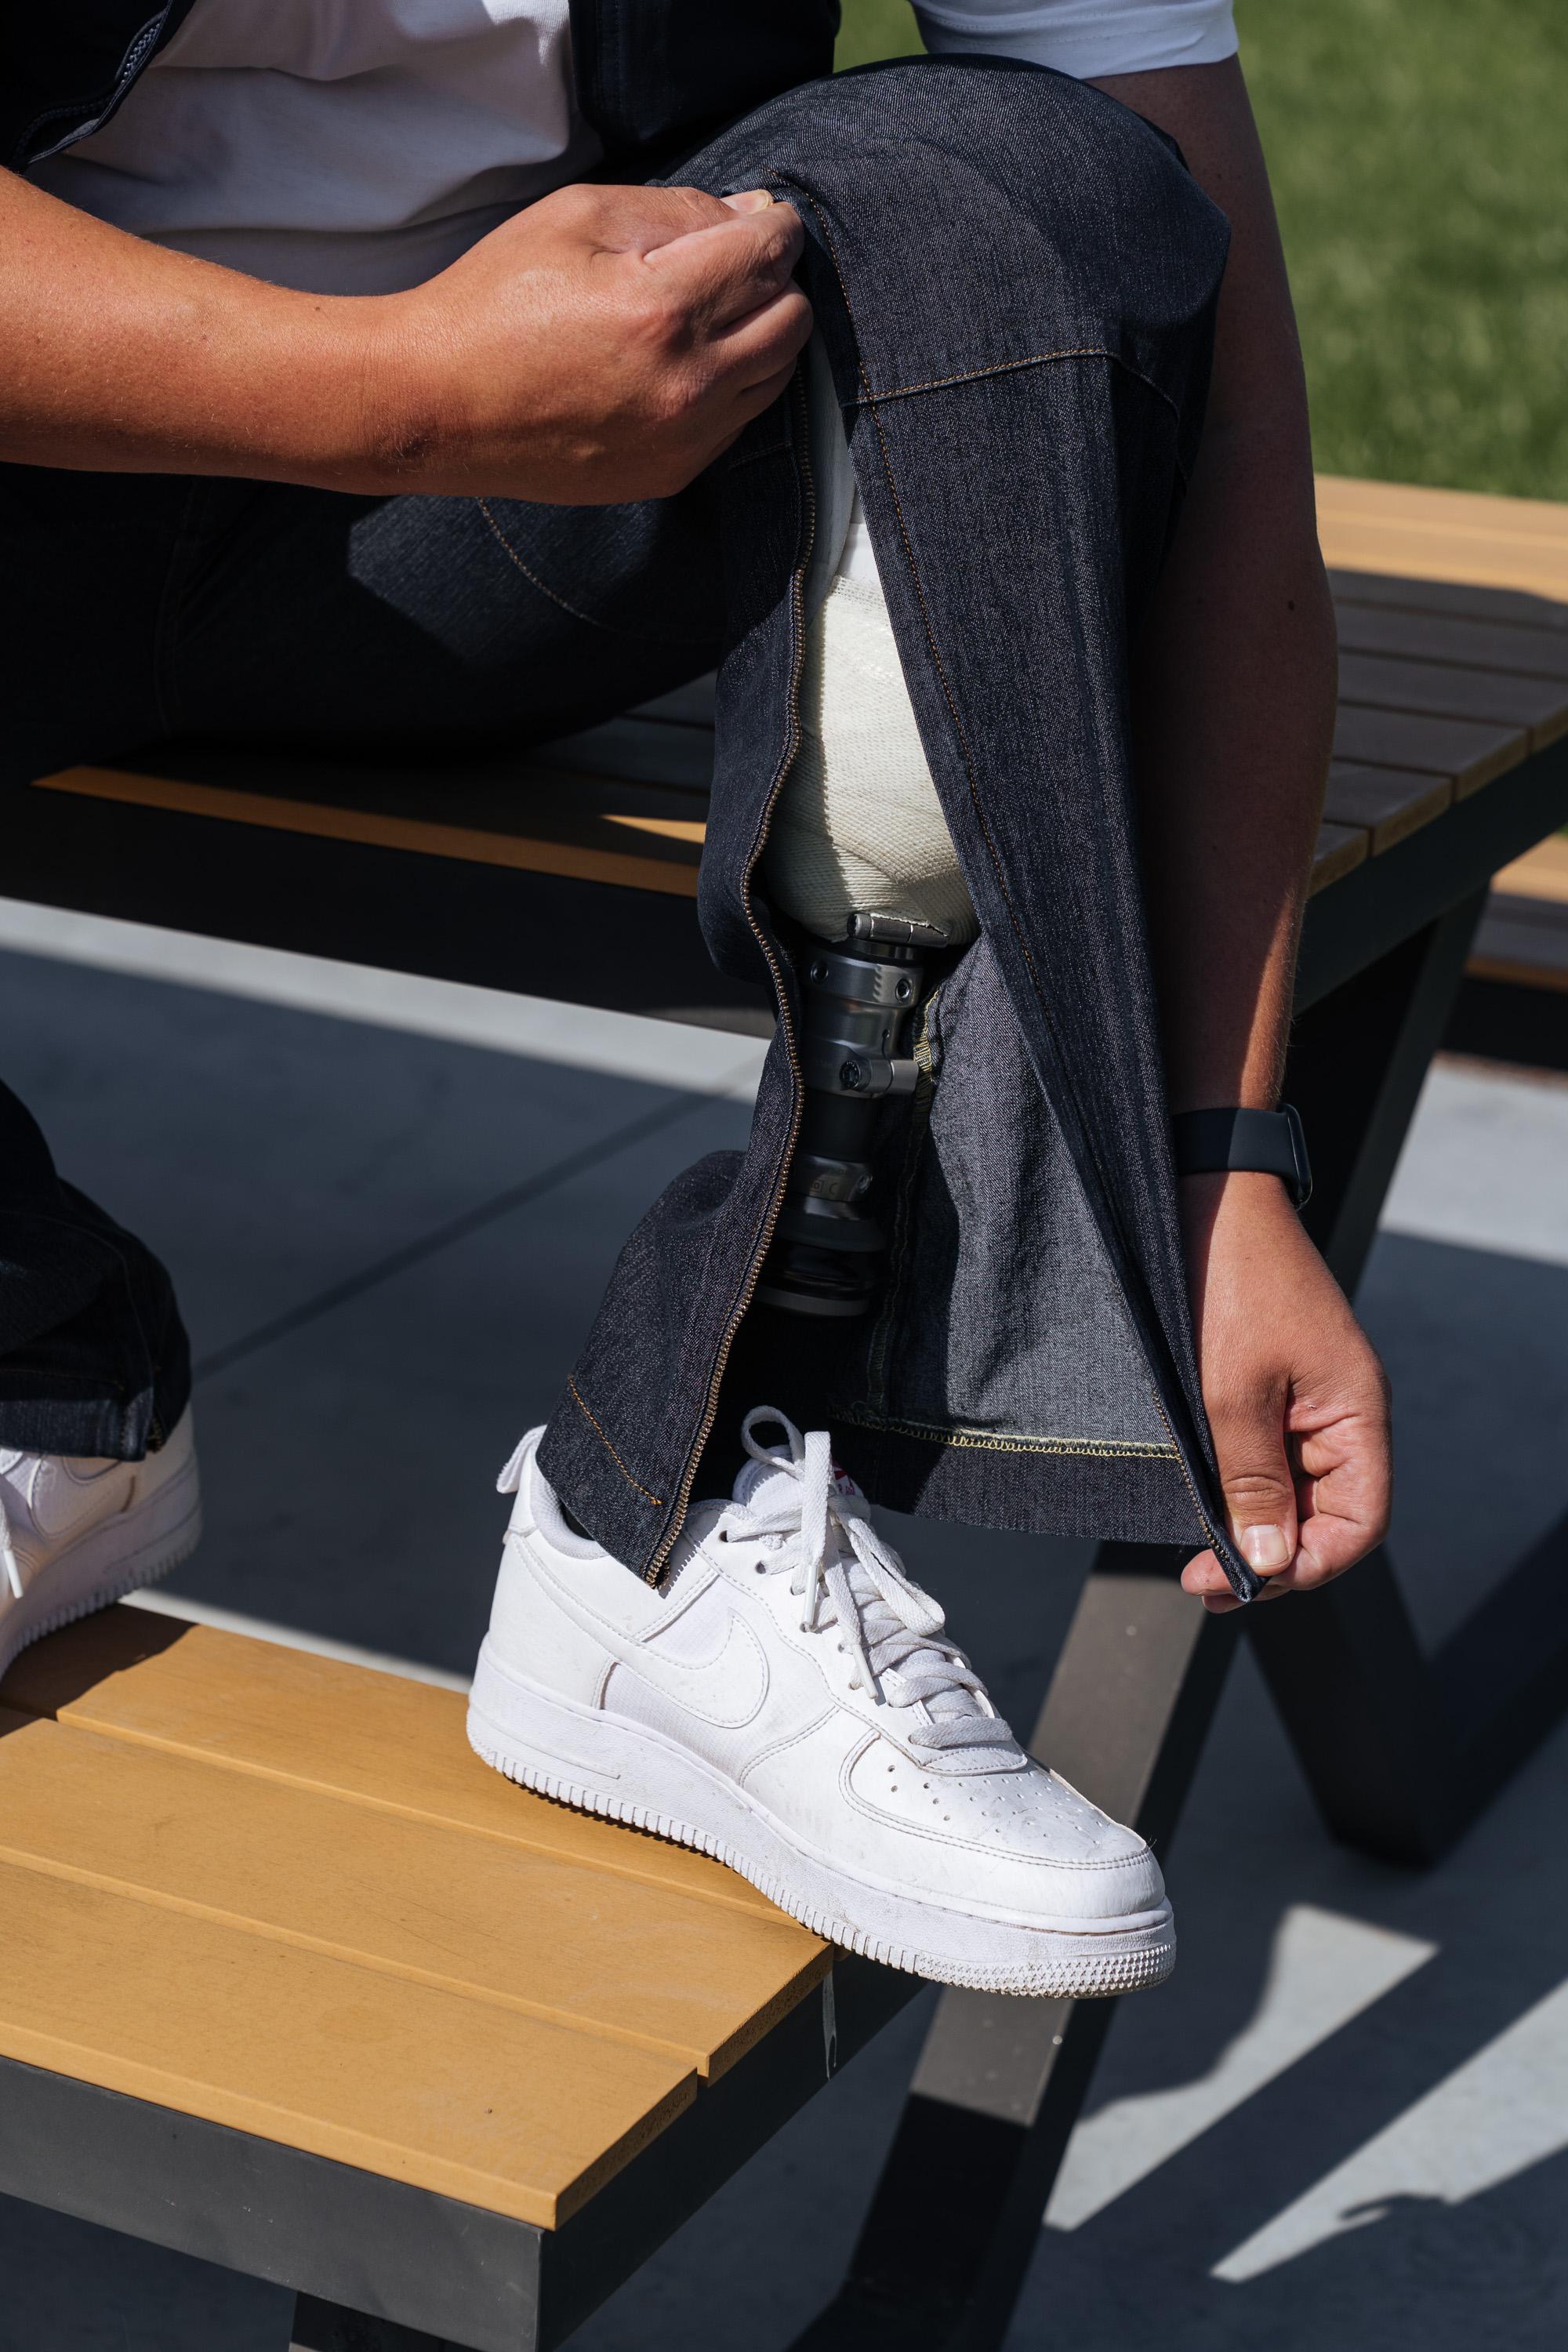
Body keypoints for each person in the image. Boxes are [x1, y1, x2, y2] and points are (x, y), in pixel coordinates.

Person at [0, 0, 1390, 1994]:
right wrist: (405, 385)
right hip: (142, 434)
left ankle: (675, 1511)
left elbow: (1231, 422)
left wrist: (1219, 1156)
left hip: (535, 516)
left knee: (1031, 192)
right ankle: (37, 1378)